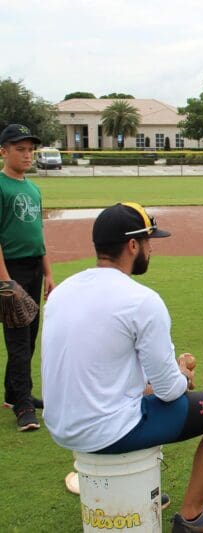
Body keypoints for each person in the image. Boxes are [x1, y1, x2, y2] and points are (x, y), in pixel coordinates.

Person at [41, 203, 203, 532]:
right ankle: (193, 518)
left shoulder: (63, 291)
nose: (151, 249)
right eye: (149, 242)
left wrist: (165, 379)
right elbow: (169, 392)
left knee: (148, 397)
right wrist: (182, 374)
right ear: (133, 246)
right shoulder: (141, 300)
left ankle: (143, 489)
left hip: (62, 425)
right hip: (106, 430)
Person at [0, 124, 55, 432]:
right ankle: (22, 405)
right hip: (12, 269)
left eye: (30, 149)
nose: (27, 154)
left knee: (30, 334)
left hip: (34, 267)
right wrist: (6, 280)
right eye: (19, 149)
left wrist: (48, 274)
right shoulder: (1, 186)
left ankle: (13, 393)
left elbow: (38, 235)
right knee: (18, 340)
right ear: (3, 151)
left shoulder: (32, 188)